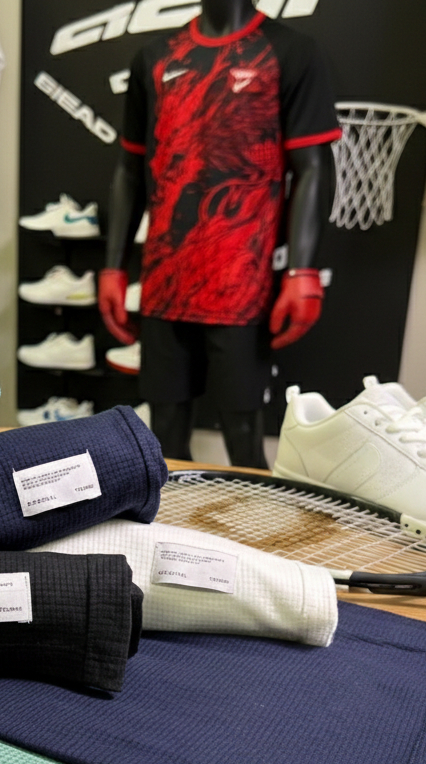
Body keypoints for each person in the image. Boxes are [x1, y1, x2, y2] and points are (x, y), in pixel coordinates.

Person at [98, 0, 339, 467]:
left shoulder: (289, 51)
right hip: (166, 279)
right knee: (164, 431)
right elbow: (129, 168)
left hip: (240, 280)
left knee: (243, 434)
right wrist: (113, 268)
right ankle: (169, 515)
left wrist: (302, 272)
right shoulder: (156, 56)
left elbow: (313, 168)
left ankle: (250, 515)